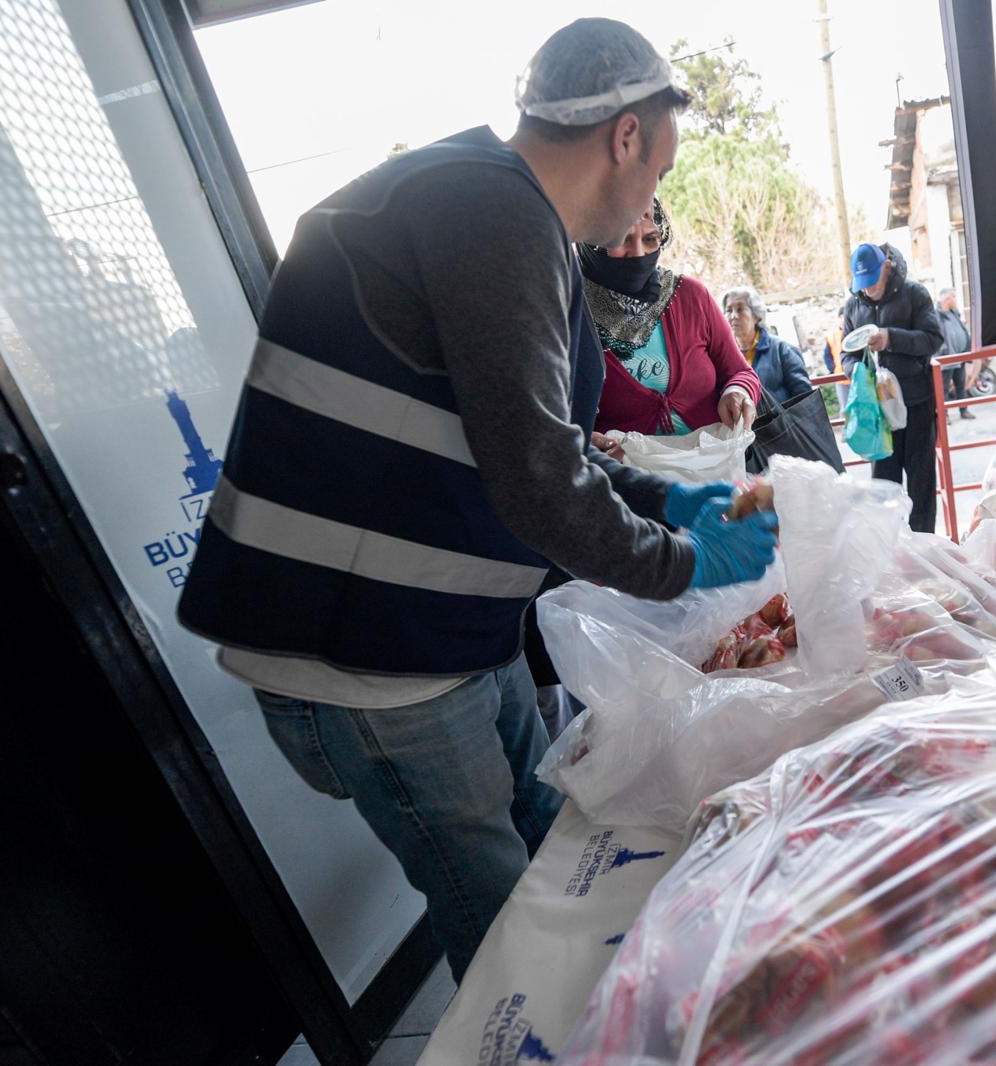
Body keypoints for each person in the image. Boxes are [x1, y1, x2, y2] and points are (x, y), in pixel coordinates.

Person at [175, 19, 779, 983]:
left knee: (554, 845)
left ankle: (595, 1020)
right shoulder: (487, 210)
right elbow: (542, 483)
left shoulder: (502, 219)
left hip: (449, 633)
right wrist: (688, 564)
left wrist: (679, 510)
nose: (649, 203)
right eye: (659, 173)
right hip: (367, 656)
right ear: (625, 135)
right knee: (500, 915)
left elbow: (555, 448)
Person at [584, 198, 759, 441]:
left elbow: (739, 372)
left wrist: (737, 391)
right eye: (621, 239)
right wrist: (584, 442)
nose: (638, 253)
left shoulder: (690, 296)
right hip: (624, 475)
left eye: (649, 239)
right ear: (590, 242)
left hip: (711, 467)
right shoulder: (572, 314)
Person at [840, 242, 944, 532]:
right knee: (883, 487)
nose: (868, 289)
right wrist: (860, 374)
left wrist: (891, 338)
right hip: (876, 413)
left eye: (872, 281)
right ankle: (889, 548)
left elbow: (933, 339)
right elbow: (845, 354)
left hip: (916, 404)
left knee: (921, 481)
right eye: (862, 283)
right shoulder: (853, 305)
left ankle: (924, 547)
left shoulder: (914, 294)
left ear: (886, 266)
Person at [722, 284, 813, 406]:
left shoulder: (782, 350)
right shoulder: (723, 355)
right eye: (728, 310)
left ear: (756, 316)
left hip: (780, 424)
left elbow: (805, 399)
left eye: (740, 309)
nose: (733, 316)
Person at [936, 286, 974, 421]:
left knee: (960, 385)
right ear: (947, 299)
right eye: (953, 296)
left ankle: (964, 410)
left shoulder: (954, 313)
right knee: (944, 388)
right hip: (946, 358)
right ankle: (944, 415)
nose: (955, 299)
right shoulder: (936, 314)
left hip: (959, 356)